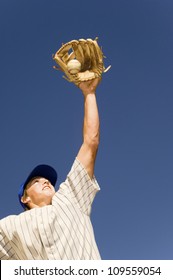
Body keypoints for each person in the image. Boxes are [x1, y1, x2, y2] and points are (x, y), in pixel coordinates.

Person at [0, 78, 102, 260]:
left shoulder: (70, 199)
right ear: (25, 197)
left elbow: (90, 143)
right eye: (36, 181)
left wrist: (89, 94)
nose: (45, 181)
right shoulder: (10, 226)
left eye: (47, 180)